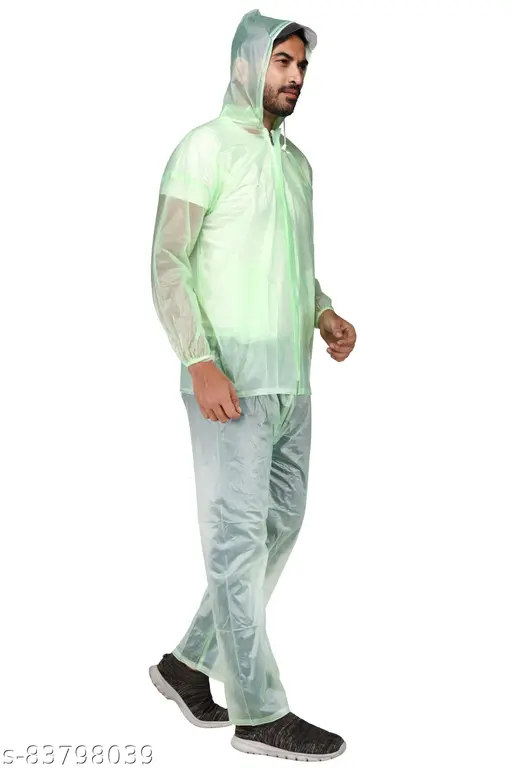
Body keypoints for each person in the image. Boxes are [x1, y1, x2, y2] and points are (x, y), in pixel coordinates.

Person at [148, 8, 356, 762]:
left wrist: (324, 313)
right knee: (237, 540)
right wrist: (198, 360)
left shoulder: (298, 165)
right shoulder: (204, 149)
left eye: (301, 66)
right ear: (245, 65)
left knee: (279, 526)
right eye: (282, 62)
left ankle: (186, 664)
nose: (295, 78)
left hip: (292, 384)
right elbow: (169, 261)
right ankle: (260, 712)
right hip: (227, 379)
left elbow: (293, 267)